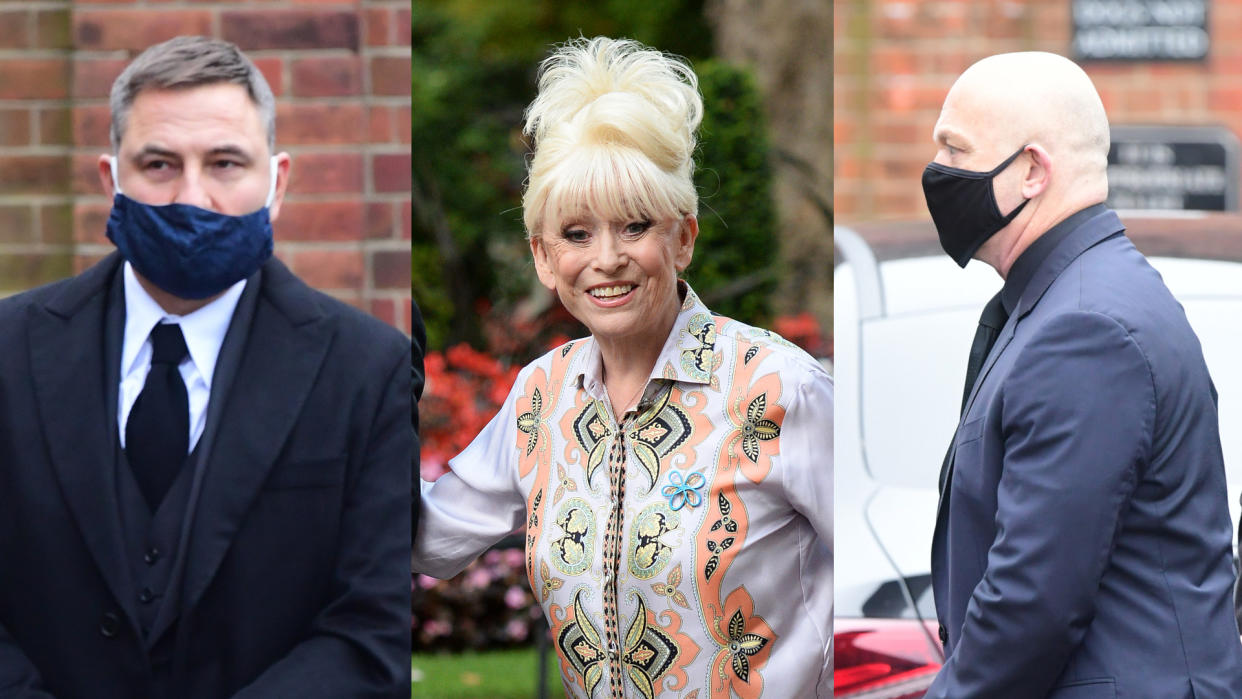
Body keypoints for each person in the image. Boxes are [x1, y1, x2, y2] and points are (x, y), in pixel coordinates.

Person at [414, 37, 833, 697]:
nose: (606, 258)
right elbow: (424, 538)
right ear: (544, 258)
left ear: (684, 237)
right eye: (577, 234)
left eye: (635, 226)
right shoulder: (539, 399)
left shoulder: (778, 388)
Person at [0, 36, 413, 697]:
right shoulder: (9, 350)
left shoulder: (366, 369)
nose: (192, 197)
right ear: (111, 181)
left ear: (276, 183)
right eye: (159, 164)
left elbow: (369, 634)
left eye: (225, 163)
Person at [923, 51, 1242, 698]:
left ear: (1033, 171)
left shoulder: (1086, 328)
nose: (937, 172)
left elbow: (1031, 601)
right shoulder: (1070, 298)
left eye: (956, 150)